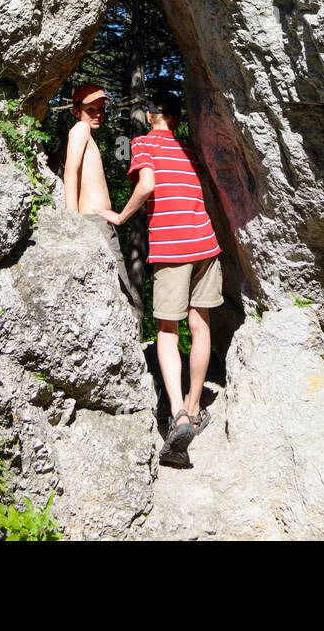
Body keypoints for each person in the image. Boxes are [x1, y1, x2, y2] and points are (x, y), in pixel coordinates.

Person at [93, 88, 223, 465]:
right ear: (178, 120)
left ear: (150, 116)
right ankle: (196, 407)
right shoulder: (190, 153)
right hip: (205, 244)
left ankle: (178, 413)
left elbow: (148, 185)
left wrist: (120, 216)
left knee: (167, 330)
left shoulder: (144, 144)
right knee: (201, 327)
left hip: (171, 247)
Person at [64, 83, 137, 309]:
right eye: (90, 110)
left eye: (101, 109)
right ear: (76, 111)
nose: (97, 114)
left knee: (115, 289)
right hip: (93, 222)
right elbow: (70, 171)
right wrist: (71, 220)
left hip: (99, 222)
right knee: (121, 291)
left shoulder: (87, 134)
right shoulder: (80, 129)